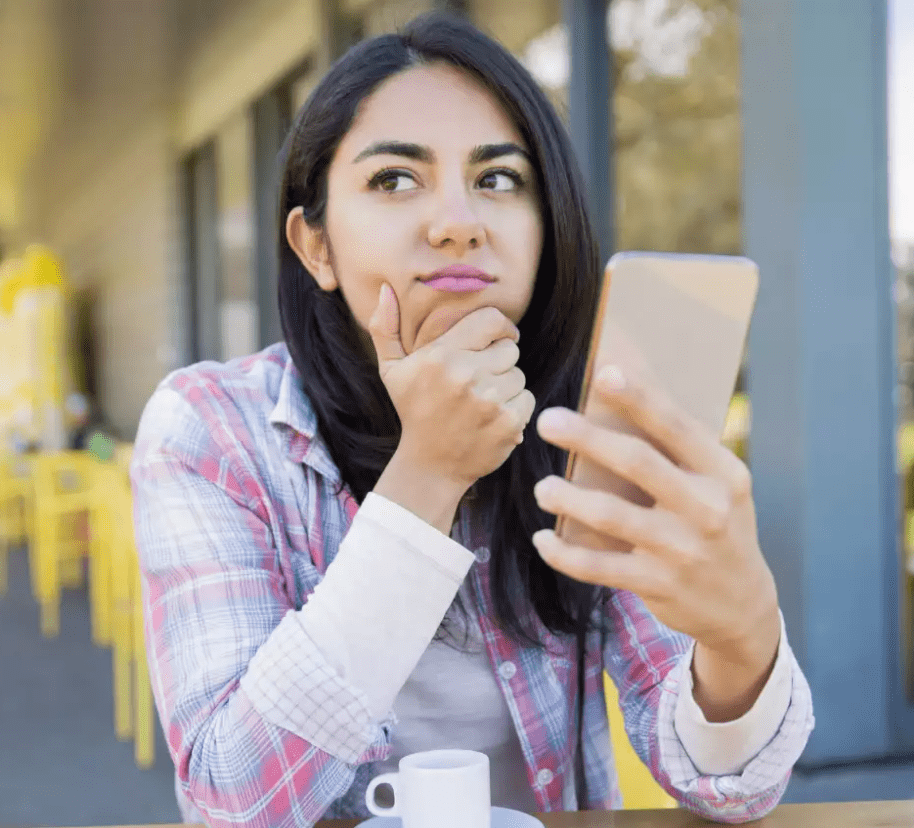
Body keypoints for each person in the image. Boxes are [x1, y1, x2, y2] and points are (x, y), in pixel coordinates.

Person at [131, 13, 813, 828]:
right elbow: (229, 803)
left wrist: (740, 637)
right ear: (314, 245)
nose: (458, 220)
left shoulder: (588, 426)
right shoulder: (214, 430)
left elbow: (725, 789)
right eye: (393, 180)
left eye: (497, 180)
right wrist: (428, 472)